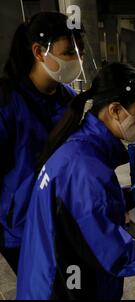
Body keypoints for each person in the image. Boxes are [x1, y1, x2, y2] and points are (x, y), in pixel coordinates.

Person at [16, 62, 135, 300]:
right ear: (115, 110)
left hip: (49, 275)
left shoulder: (81, 149)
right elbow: (113, 254)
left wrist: (123, 198)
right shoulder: (86, 168)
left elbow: (77, 212)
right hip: (61, 289)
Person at [0, 12, 85, 274]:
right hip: (22, 227)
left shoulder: (71, 100)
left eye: (80, 52)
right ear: (39, 51)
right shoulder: (7, 102)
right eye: (69, 52)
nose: (77, 61)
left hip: (62, 220)